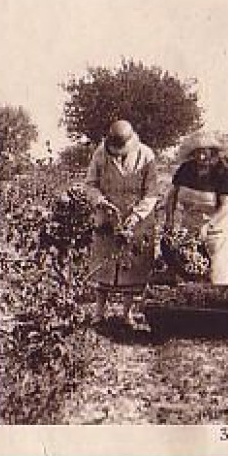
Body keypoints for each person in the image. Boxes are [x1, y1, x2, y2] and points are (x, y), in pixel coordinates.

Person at [84, 119, 159, 328]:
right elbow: (90, 185)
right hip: (108, 215)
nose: (117, 153)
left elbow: (151, 193)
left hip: (137, 218)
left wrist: (136, 216)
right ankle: (99, 313)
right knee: (104, 264)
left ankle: (127, 314)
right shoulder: (100, 154)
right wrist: (101, 202)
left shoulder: (146, 155)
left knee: (132, 265)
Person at [164, 131, 228, 287]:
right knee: (187, 268)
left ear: (214, 152)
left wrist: (209, 225)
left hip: (215, 230)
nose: (200, 157)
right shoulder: (186, 169)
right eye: (197, 152)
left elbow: (227, 206)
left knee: (215, 274)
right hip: (189, 226)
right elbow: (172, 195)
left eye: (204, 152)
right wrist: (170, 220)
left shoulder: (225, 173)